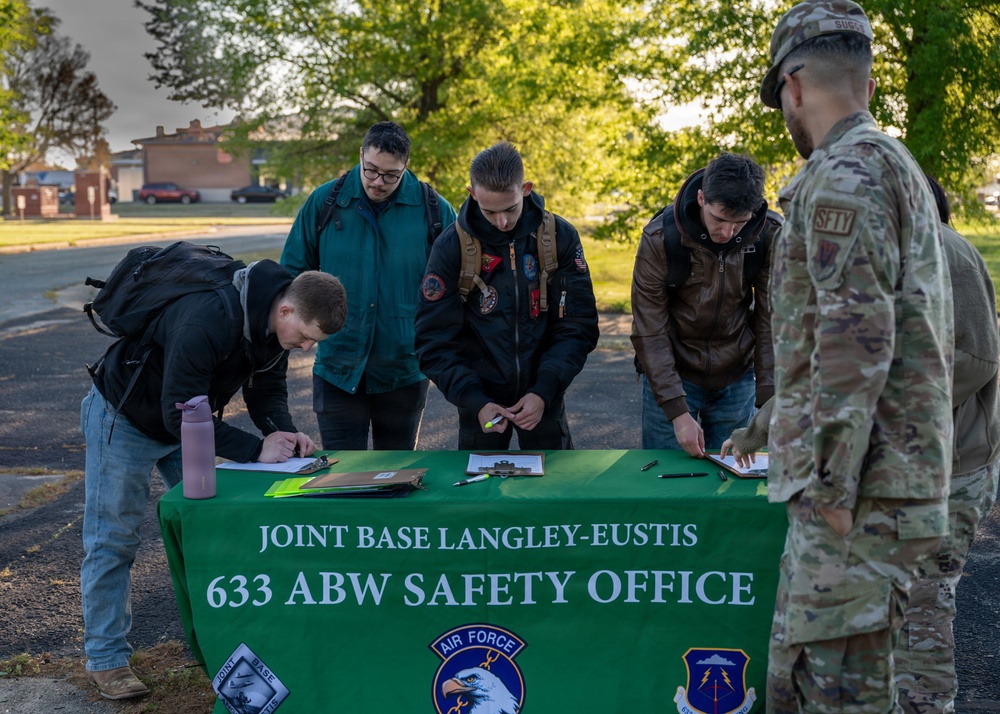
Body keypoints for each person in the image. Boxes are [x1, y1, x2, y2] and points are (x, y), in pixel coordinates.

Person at [719, 176, 1000, 713]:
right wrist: (760, 428)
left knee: (920, 617)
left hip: (946, 474)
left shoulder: (946, 254)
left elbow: (975, 361)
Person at [759, 1, 954, 711]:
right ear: (867, 84)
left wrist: (834, 493)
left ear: (793, 86)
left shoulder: (846, 173)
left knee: (827, 692)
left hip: (857, 497)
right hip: (875, 487)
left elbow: (854, 341)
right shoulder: (889, 162)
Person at [80, 260, 347, 699]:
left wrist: (282, 433)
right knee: (114, 539)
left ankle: (224, 645)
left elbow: (266, 390)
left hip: (187, 422)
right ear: (285, 310)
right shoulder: (207, 319)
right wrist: (255, 450)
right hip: (126, 418)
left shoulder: (276, 322)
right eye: (305, 337)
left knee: (213, 529)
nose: (304, 348)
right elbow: (178, 412)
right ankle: (106, 660)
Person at [281, 121, 457, 450]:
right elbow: (290, 276)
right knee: (343, 475)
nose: (378, 182)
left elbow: (458, 287)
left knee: (397, 474)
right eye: (371, 170)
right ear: (361, 154)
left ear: (406, 165)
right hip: (337, 369)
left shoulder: (434, 210)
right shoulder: (325, 201)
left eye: (390, 175)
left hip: (403, 371)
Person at [414, 141, 599, 449]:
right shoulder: (451, 247)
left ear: (526, 189)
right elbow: (433, 340)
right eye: (490, 211)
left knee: (553, 480)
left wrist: (544, 390)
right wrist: (474, 400)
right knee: (481, 482)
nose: (502, 222)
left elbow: (578, 326)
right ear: (473, 193)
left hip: (545, 398)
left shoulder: (559, 237)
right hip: (480, 405)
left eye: (510, 208)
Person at [631, 152, 780, 457]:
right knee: (663, 473)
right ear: (701, 198)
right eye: (719, 219)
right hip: (672, 372)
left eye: (740, 223)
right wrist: (676, 410)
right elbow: (649, 329)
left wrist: (768, 402)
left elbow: (772, 321)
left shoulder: (771, 235)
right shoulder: (659, 237)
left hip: (737, 374)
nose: (727, 233)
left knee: (729, 476)